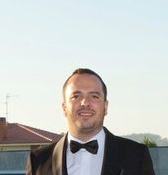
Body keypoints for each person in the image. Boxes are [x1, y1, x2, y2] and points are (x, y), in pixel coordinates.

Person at [27, 68, 155, 175]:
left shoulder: (136, 155)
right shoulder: (38, 161)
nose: (85, 103)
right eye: (76, 96)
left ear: (105, 107)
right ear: (64, 108)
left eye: (94, 96)